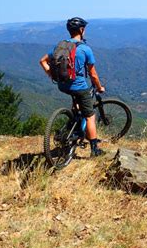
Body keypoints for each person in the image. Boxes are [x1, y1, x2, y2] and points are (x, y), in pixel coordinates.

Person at [39, 17, 106, 157]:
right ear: (81, 30)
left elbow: (42, 61)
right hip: (79, 87)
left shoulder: (61, 46)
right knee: (90, 117)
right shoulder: (85, 49)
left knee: (77, 103)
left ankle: (75, 125)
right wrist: (99, 88)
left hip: (63, 85)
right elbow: (93, 75)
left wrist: (52, 75)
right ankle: (95, 150)